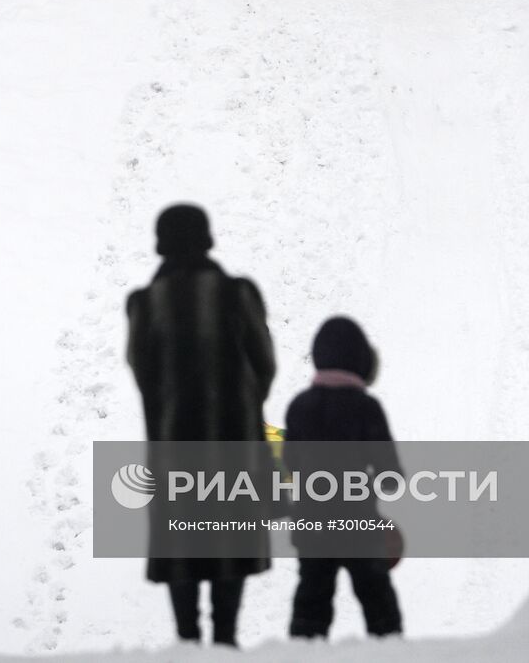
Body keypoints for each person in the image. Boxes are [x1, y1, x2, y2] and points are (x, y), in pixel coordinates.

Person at [125, 204, 275, 647]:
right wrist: (240, 408)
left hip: (175, 452)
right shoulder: (238, 294)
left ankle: (188, 642)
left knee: (183, 547)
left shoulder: (146, 304)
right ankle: (226, 642)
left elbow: (143, 374)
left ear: (161, 244)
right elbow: (264, 365)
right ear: (208, 239)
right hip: (234, 448)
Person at [284, 316, 404, 640]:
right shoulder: (366, 408)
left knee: (311, 605)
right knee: (379, 606)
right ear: (361, 361)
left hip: (312, 525)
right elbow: (391, 476)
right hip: (358, 525)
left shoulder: (299, 407)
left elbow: (290, 465)